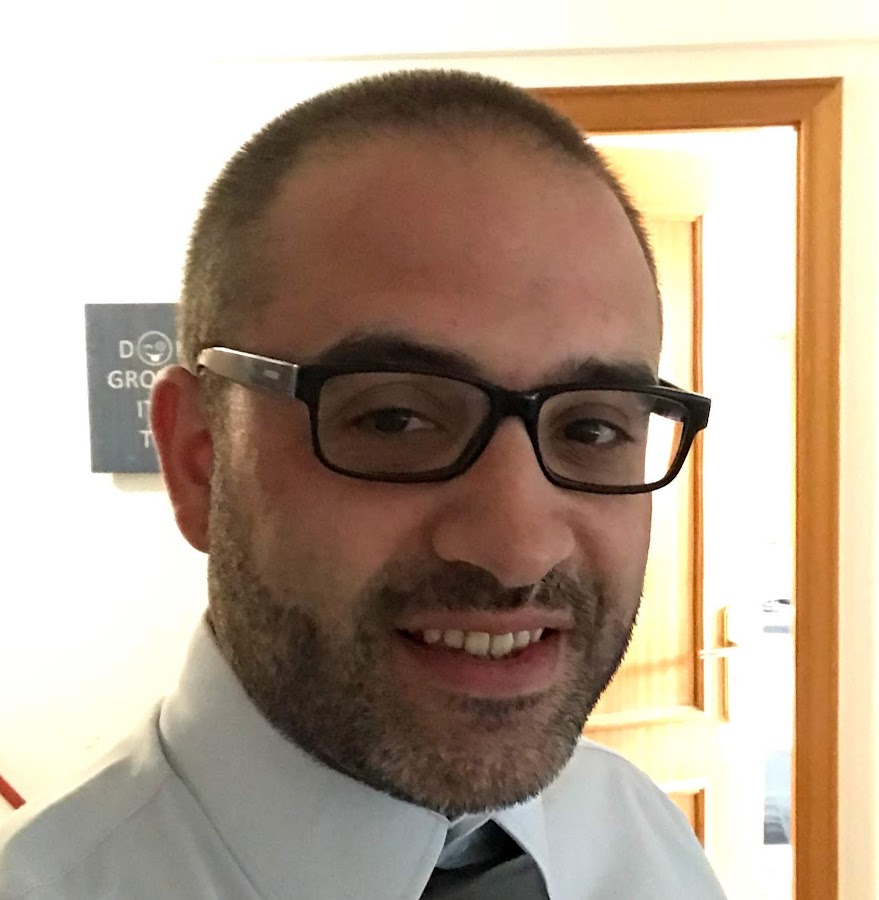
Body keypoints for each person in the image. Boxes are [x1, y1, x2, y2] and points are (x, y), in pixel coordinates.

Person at [0, 69, 724, 899]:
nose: (518, 549)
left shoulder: (642, 831)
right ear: (199, 457)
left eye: (591, 430)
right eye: (395, 420)